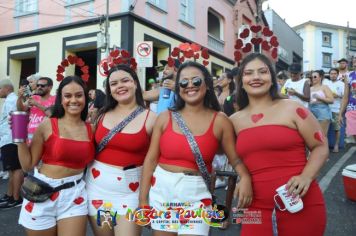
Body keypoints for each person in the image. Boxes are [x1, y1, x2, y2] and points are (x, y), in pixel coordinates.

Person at [139, 61, 252, 236]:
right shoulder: (164, 117)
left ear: (207, 85)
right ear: (178, 88)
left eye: (196, 81)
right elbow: (151, 160)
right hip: (162, 189)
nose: (190, 85)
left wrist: (244, 177)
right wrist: (143, 201)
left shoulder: (220, 120)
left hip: (196, 193)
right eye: (183, 82)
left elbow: (235, 159)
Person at [231, 53, 327, 236]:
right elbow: (230, 155)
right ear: (241, 81)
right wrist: (243, 176)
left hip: (301, 203)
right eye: (249, 73)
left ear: (272, 78)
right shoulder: (233, 120)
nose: (256, 77)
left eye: (263, 72)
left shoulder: (292, 108)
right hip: (252, 208)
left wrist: (306, 177)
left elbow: (320, 146)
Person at [16, 76, 95, 236]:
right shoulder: (47, 124)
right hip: (42, 193)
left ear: (85, 98)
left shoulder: (91, 129)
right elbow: (28, 165)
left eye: (79, 95)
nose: (74, 100)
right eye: (68, 96)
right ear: (61, 99)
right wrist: (19, 137)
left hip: (75, 195)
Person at [85, 64, 156, 236]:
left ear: (136, 84)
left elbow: (154, 161)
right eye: (114, 83)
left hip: (131, 195)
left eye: (125, 80)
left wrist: (144, 200)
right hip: (97, 193)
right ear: (110, 89)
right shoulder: (101, 114)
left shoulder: (151, 118)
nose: (120, 86)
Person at [0, 79, 23, 209]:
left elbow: (17, 117)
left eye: (0, 89)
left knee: (16, 168)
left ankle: (16, 198)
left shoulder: (12, 100)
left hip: (11, 139)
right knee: (11, 169)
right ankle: (9, 195)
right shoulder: (9, 100)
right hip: (6, 139)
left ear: (6, 88)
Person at [17, 77, 55, 142]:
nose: (39, 87)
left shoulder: (55, 99)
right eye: (38, 85)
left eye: (42, 86)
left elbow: (51, 113)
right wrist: (20, 97)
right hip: (30, 136)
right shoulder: (33, 97)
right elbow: (21, 110)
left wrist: (36, 104)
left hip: (46, 136)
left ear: (50, 87)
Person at [309, 70, 334, 136]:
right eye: (311, 77)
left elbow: (331, 100)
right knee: (312, 135)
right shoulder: (310, 88)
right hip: (311, 111)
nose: (313, 78)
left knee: (322, 135)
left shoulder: (324, 87)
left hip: (322, 111)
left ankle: (324, 146)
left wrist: (320, 98)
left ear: (320, 77)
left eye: (315, 76)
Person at [339, 58, 356, 143]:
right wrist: (340, 113)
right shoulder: (349, 75)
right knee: (354, 133)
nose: (354, 61)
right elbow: (345, 96)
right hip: (352, 108)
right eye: (354, 59)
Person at [328, 68, 345, 152]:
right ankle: (324, 146)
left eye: (335, 73)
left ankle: (336, 145)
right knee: (325, 128)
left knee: (337, 128)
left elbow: (344, 97)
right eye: (331, 73)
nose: (333, 75)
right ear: (329, 75)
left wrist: (337, 95)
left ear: (337, 75)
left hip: (336, 109)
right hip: (326, 109)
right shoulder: (326, 84)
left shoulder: (341, 84)